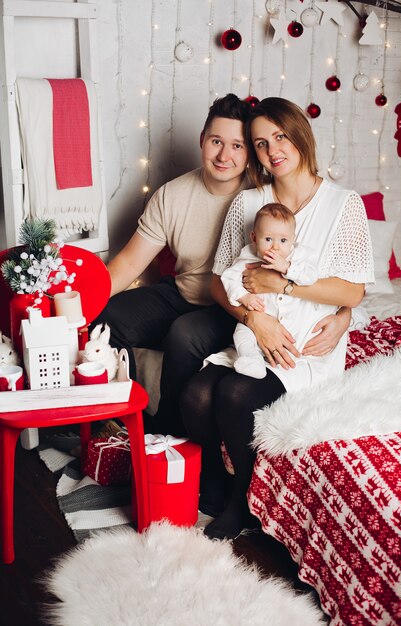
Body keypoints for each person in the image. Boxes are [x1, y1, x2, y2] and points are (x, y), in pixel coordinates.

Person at [181, 97, 374, 541]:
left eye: (281, 137)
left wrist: (283, 287)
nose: (273, 151)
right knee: (195, 395)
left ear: (300, 134)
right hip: (256, 331)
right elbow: (217, 283)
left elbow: (353, 291)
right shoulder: (249, 203)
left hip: (303, 346)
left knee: (233, 393)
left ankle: (242, 503)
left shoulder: (343, 205)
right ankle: (216, 478)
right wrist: (253, 318)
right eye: (261, 143)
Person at [92, 94, 251, 436]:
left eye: (237, 145)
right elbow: (131, 261)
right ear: (202, 142)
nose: (225, 155)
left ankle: (166, 432)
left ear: (250, 151)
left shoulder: (258, 197)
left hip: (230, 306)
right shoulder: (172, 194)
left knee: (184, 335)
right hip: (182, 294)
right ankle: (124, 417)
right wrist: (84, 300)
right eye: (217, 142)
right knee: (106, 316)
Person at [221, 202, 318, 379]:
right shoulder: (248, 254)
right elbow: (228, 277)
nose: (275, 246)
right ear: (254, 237)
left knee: (296, 338)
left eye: (283, 240)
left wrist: (287, 267)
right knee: (241, 333)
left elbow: (311, 276)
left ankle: (285, 359)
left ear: (292, 240)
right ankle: (252, 361)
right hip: (257, 320)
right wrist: (243, 296)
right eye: (268, 239)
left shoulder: (297, 256)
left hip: (291, 323)